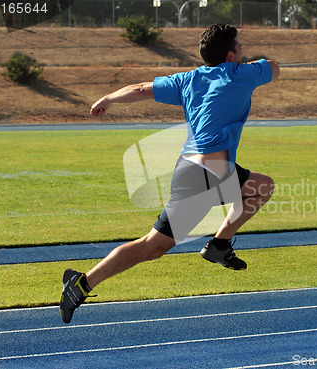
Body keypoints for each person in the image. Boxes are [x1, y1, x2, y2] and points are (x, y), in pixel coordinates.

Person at [60, 24, 280, 324]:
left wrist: (108, 98)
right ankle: (81, 284)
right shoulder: (241, 73)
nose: (243, 50)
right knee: (153, 246)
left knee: (262, 187)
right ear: (231, 54)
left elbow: (140, 89)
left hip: (198, 168)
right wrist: (253, 66)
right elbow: (274, 68)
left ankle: (220, 244)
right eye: (239, 47)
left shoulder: (188, 79)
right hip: (205, 175)